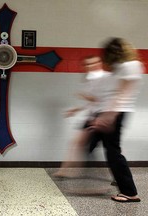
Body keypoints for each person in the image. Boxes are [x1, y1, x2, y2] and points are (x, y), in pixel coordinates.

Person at [88, 37, 143, 202]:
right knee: (110, 149)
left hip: (117, 112)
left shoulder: (129, 66)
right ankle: (120, 180)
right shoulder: (126, 66)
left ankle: (130, 192)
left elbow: (122, 95)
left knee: (113, 152)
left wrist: (107, 116)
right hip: (114, 111)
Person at [53, 55, 110, 177]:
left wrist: (86, 97)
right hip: (93, 115)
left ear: (100, 63)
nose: (90, 66)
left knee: (112, 149)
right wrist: (76, 109)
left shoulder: (105, 77)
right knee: (76, 142)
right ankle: (64, 171)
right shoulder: (90, 79)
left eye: (93, 63)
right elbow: (91, 102)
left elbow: (102, 98)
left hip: (105, 116)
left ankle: (118, 176)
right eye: (88, 64)